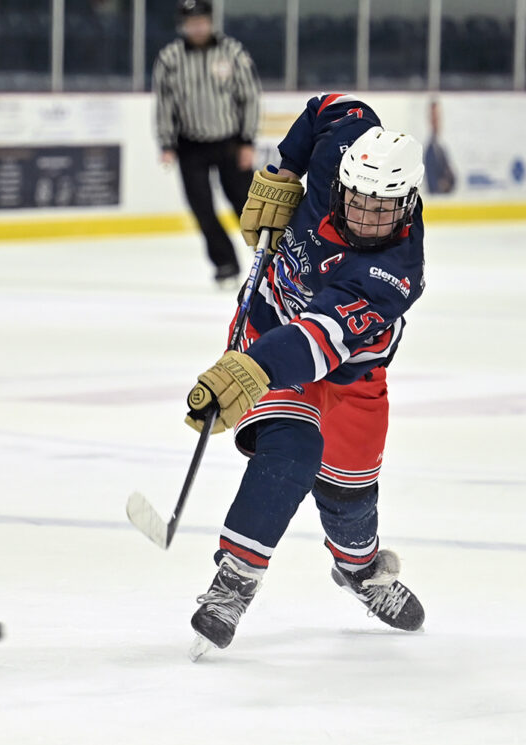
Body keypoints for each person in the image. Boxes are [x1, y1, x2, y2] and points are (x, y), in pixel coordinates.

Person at [182, 93, 427, 659]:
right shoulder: (343, 146)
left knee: (349, 499)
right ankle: (233, 583)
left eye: (383, 209)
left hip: (345, 371)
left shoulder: (395, 273)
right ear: (341, 182)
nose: (366, 217)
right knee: (291, 452)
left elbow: (318, 338)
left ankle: (359, 569)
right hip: (269, 328)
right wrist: (286, 169)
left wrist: (249, 369)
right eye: (357, 201)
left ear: (409, 203)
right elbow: (331, 106)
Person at [153, 0, 262, 286]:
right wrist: (167, 144)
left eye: (202, 22)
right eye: (192, 23)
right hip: (190, 145)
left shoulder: (232, 51)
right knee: (202, 208)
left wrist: (247, 141)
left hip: (230, 142)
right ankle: (225, 263)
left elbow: (249, 96)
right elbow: (165, 104)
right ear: (183, 25)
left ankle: (270, 259)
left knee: (247, 205)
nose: (198, 28)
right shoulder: (170, 58)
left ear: (211, 22)